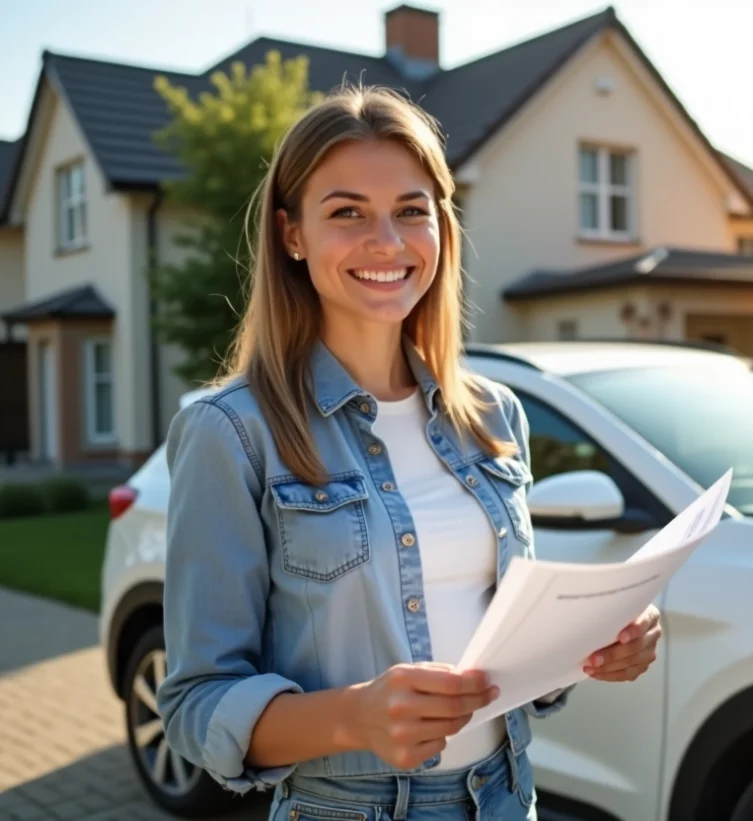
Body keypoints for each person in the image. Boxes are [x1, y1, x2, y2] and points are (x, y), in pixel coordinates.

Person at [156, 84, 663, 821]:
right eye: (347, 212)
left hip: (505, 794)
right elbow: (195, 705)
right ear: (292, 234)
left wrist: (590, 647)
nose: (387, 242)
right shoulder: (232, 432)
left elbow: (501, 650)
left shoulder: (492, 415)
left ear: (441, 227)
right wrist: (354, 717)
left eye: (410, 210)